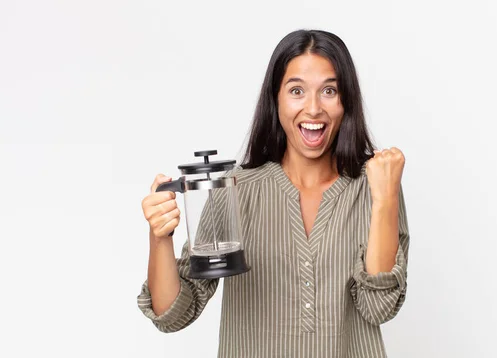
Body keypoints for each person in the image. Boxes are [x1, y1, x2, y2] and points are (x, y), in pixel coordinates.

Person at [138, 29, 410, 358]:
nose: (313, 108)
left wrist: (385, 199)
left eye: (329, 91)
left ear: (346, 100)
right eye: (297, 90)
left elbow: (379, 307)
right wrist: (160, 237)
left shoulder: (376, 185)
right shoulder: (234, 190)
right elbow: (173, 314)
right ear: (276, 98)